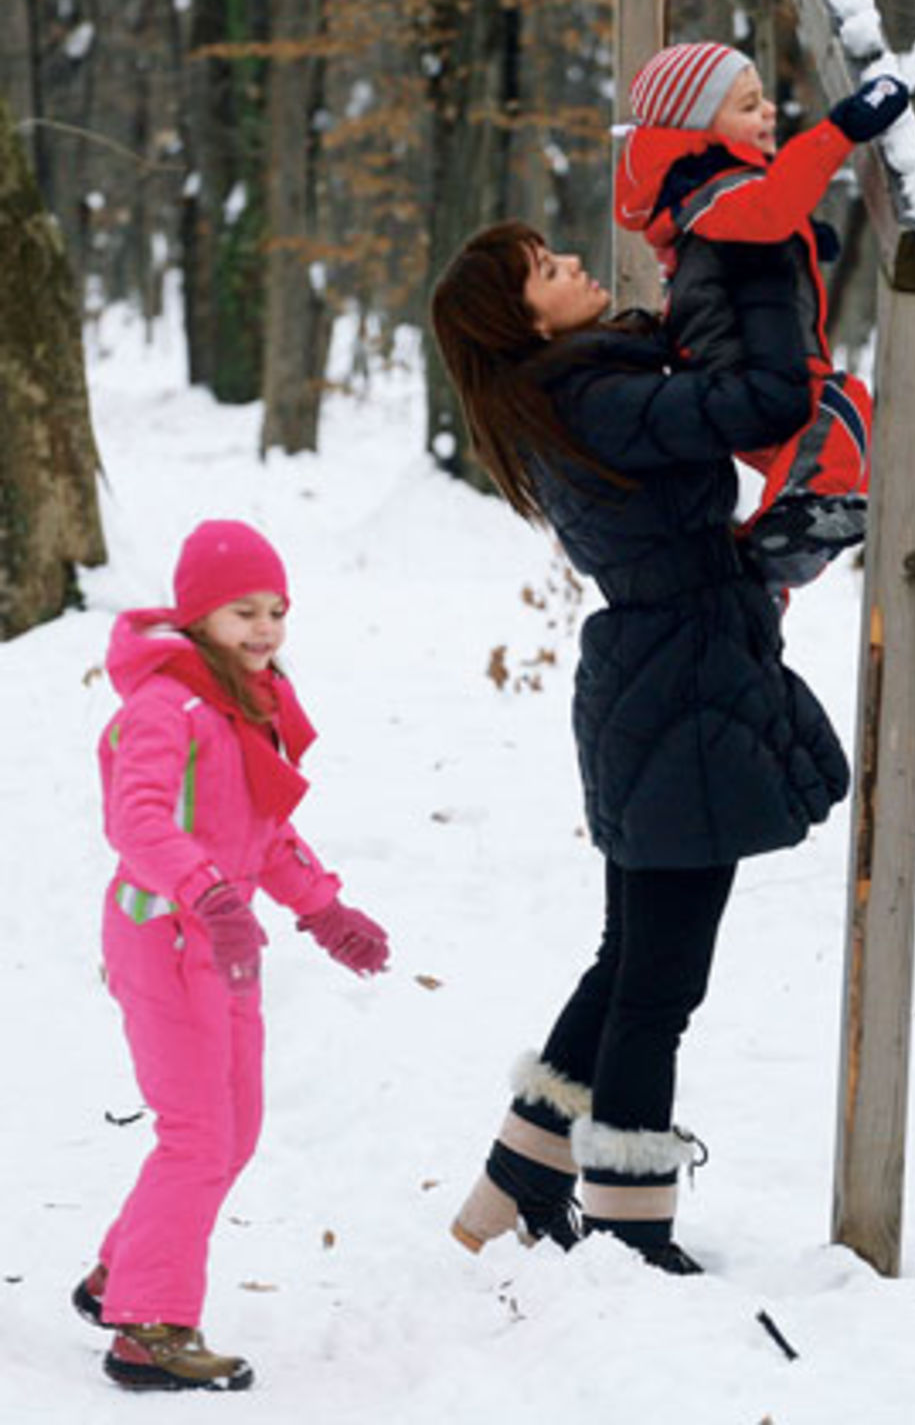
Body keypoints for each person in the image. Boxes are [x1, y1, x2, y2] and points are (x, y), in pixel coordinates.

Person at [430, 221, 849, 1273]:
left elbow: (700, 362)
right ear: (520, 320)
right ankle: (626, 1225)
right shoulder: (595, 398)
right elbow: (758, 400)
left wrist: (765, 255)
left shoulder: (580, 384)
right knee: (661, 982)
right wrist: (751, 262)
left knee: (632, 959)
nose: (572, 264)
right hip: (679, 692)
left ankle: (517, 1180)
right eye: (545, 271)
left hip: (665, 681)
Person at [72, 520, 390, 1391]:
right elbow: (137, 821)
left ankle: (123, 1272)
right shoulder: (162, 706)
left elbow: (262, 827)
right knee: (198, 1134)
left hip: (225, 941)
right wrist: (205, 890)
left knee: (234, 1129)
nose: (264, 628)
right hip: (166, 934)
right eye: (243, 610)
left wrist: (325, 911)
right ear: (198, 613)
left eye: (277, 610)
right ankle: (148, 1325)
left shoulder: (244, 700)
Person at [615, 42, 909, 598]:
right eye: (748, 107)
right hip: (737, 370)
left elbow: (761, 226)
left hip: (736, 373)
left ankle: (760, 586)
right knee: (842, 408)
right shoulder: (713, 189)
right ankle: (792, 524)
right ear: (701, 129)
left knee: (832, 454)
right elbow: (770, 209)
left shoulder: (707, 195)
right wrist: (842, 129)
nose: (769, 111)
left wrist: (802, 237)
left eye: (763, 100)